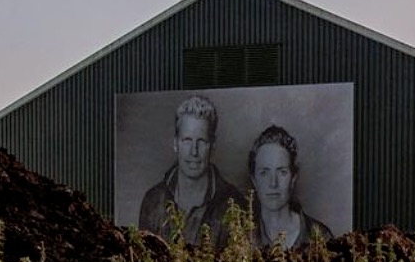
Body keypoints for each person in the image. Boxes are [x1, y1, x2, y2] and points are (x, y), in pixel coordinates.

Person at [137, 95, 246, 245]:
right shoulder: (153, 201)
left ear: (212, 146)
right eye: (187, 140)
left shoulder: (234, 205)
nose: (194, 151)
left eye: (201, 141)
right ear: (175, 143)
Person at [247, 123, 333, 250]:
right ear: (254, 179)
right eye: (264, 173)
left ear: (293, 177)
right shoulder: (242, 240)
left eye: (282, 172)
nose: (273, 183)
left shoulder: (320, 237)